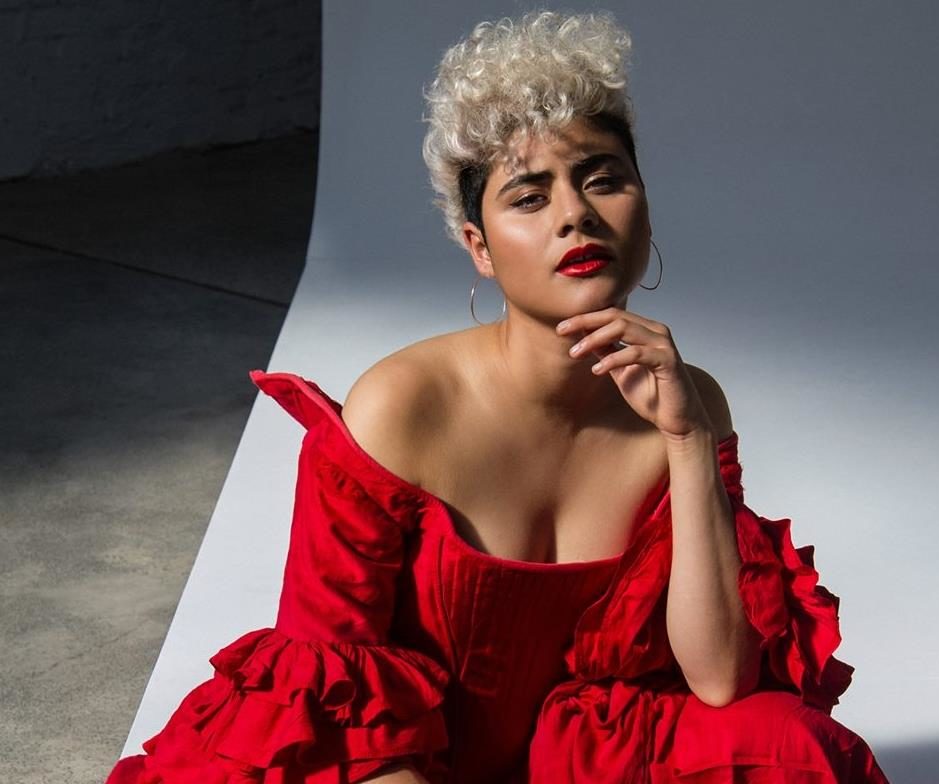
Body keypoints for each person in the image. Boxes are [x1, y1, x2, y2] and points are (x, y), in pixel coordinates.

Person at [105, 10, 889, 784]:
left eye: (603, 180)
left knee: (793, 747)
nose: (576, 214)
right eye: (528, 197)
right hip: (390, 769)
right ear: (477, 246)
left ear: (643, 210)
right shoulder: (401, 407)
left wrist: (687, 441)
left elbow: (718, 679)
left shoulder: (687, 402)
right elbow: (334, 718)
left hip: (573, 764)